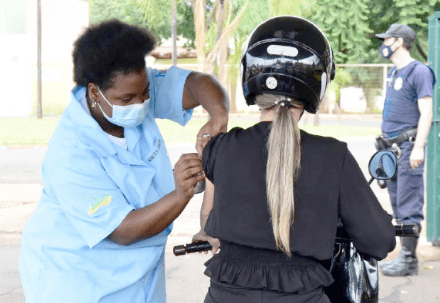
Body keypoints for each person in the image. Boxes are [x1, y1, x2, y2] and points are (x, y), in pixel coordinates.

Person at [19, 19, 228, 303]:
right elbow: (123, 231)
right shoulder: (71, 155)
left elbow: (197, 84)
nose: (140, 105)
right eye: (128, 98)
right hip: (78, 281)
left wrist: (218, 114)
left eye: (145, 94)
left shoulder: (133, 87)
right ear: (95, 93)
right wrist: (181, 194)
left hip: (137, 275)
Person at [192, 16, 396, 303]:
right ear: (319, 83)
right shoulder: (333, 156)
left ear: (249, 76)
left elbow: (208, 218)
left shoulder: (221, 148)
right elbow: (379, 241)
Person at [375, 23, 435, 276]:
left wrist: (419, 147)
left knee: (409, 204)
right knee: (398, 205)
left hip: (408, 148)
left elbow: (427, 112)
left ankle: (409, 259)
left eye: (387, 40)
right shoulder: (393, 72)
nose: (384, 44)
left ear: (399, 42)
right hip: (390, 149)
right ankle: (404, 258)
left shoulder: (419, 72)